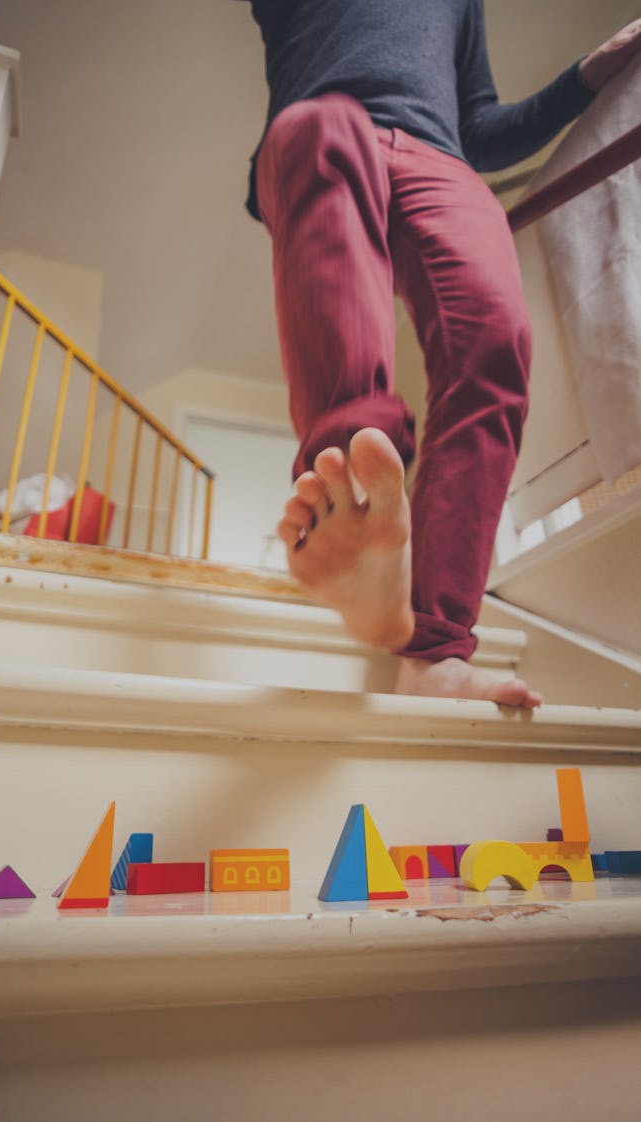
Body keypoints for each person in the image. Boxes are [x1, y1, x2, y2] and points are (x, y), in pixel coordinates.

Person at [238, 1, 641, 708]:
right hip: (326, 132)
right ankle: (354, 505)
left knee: (494, 339)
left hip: (441, 161)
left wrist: (583, 79)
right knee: (316, 127)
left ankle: (434, 654)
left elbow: (480, 127)